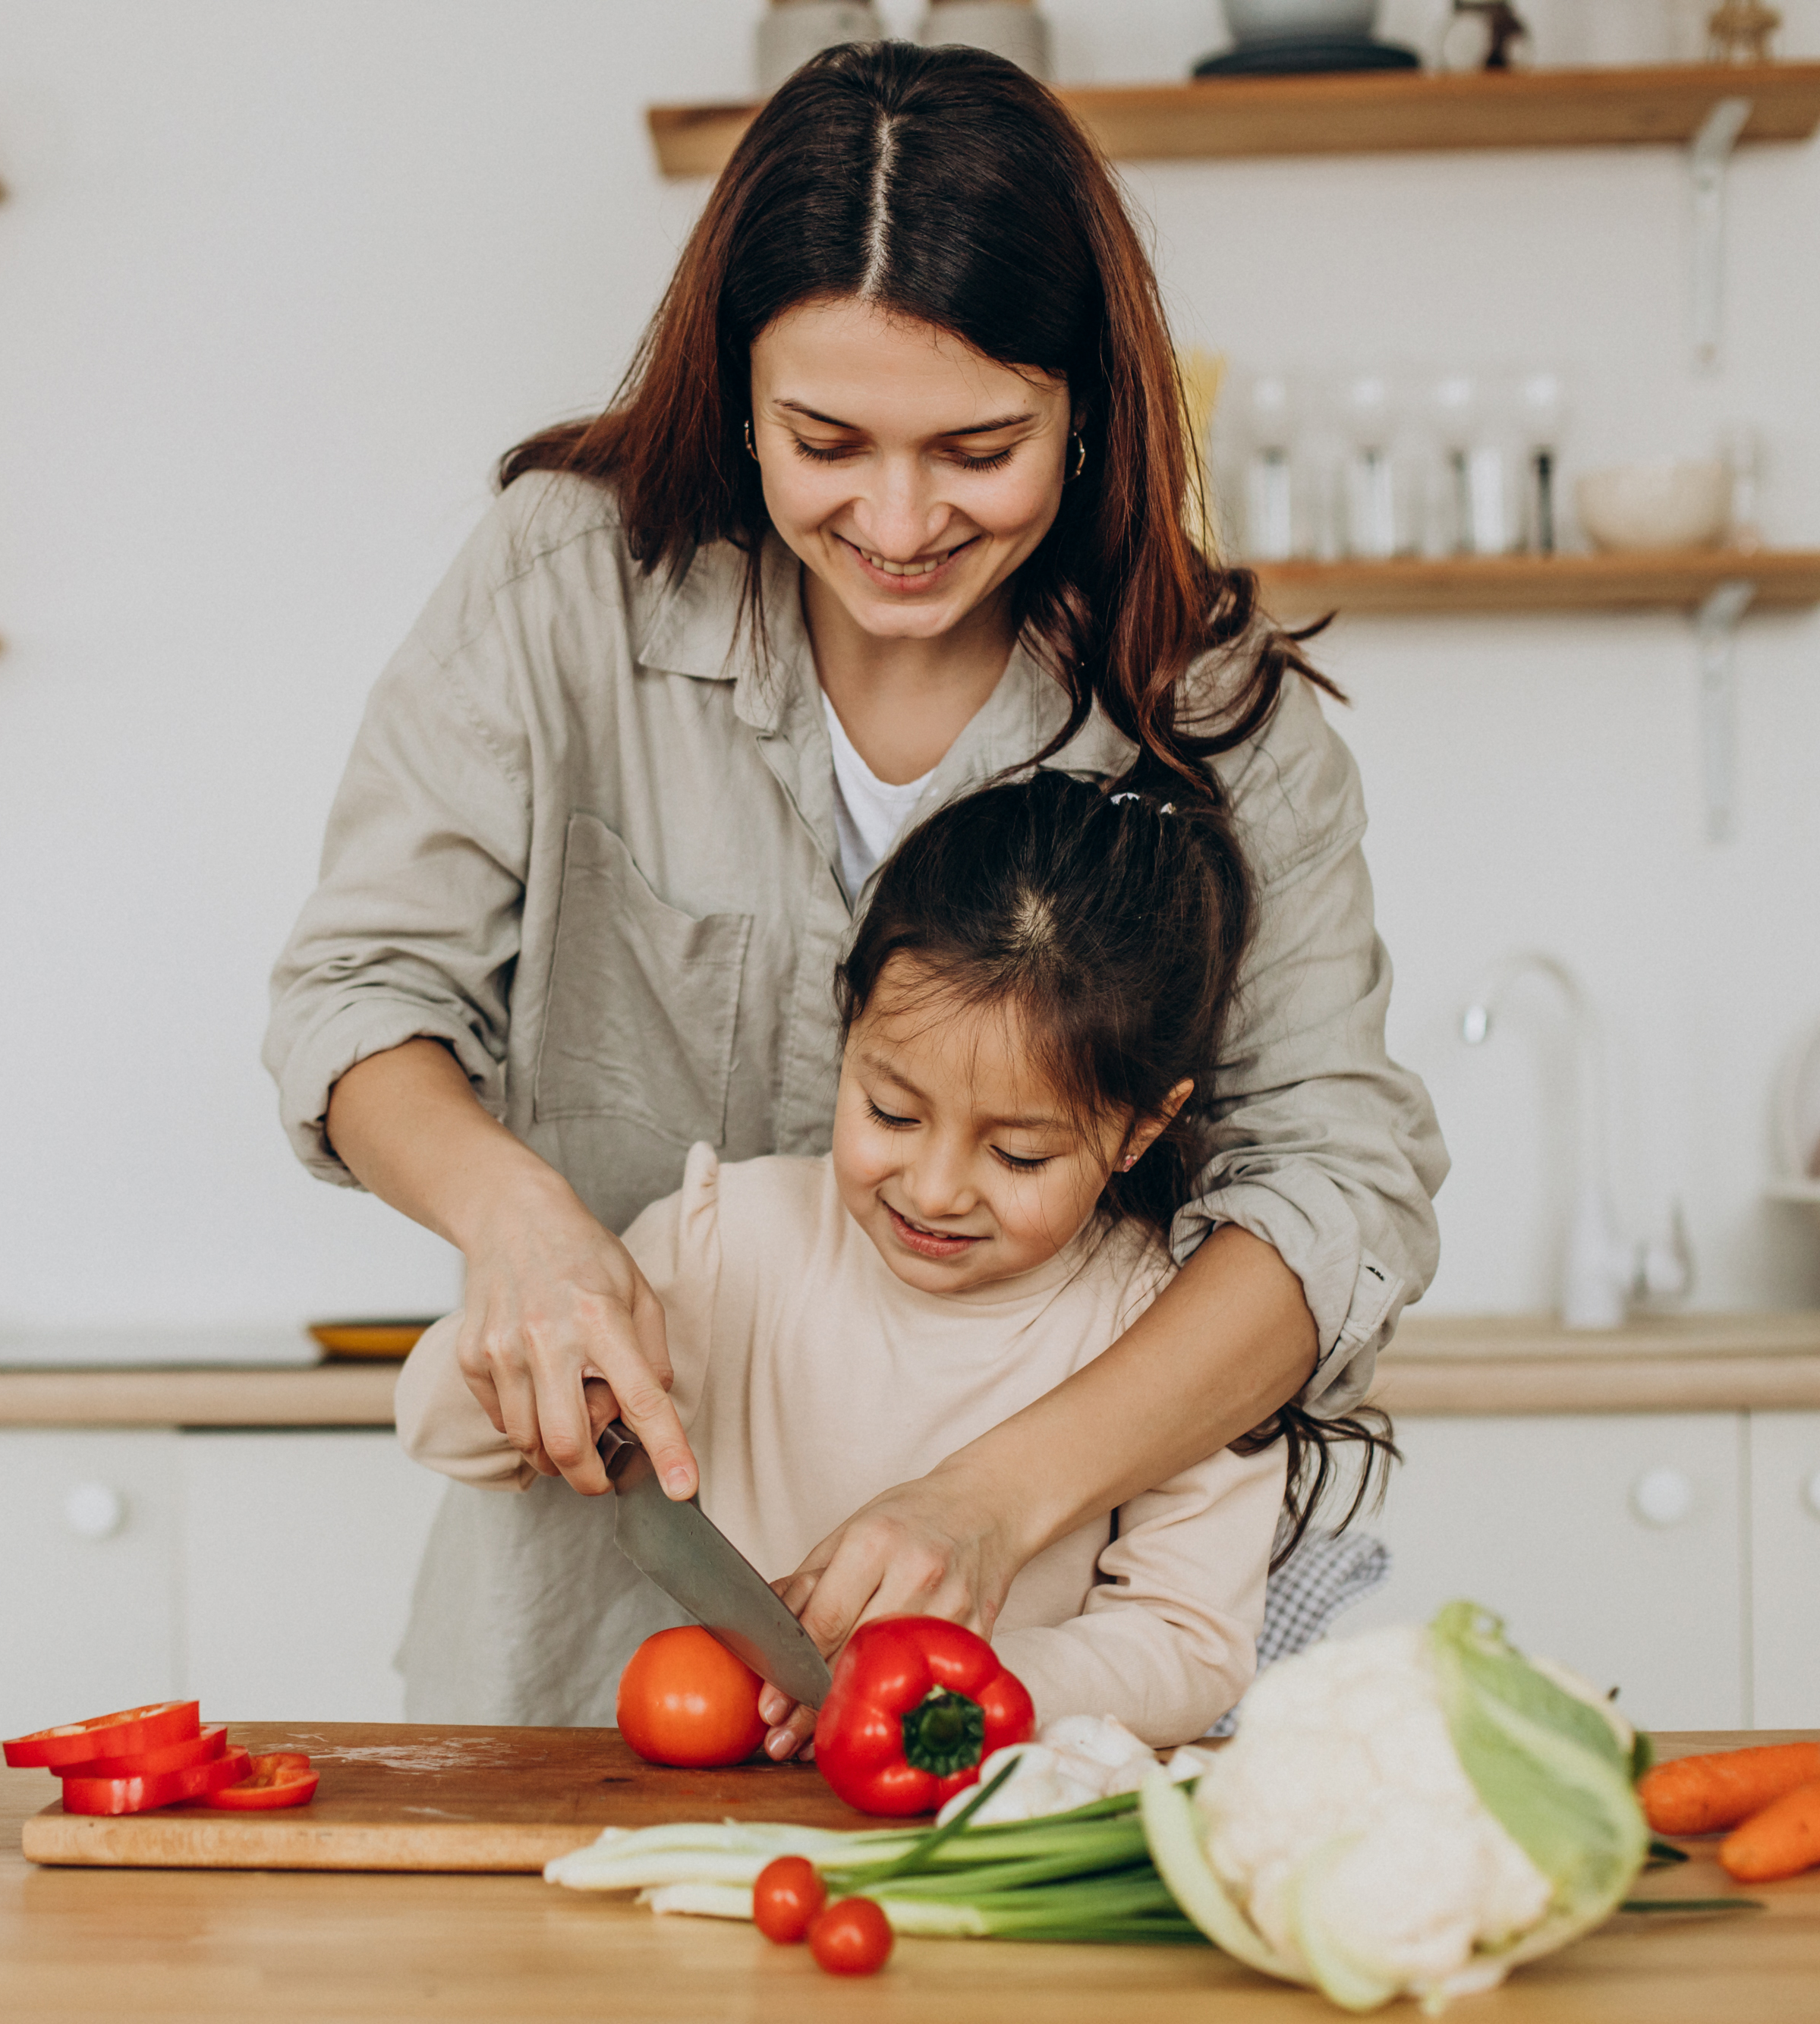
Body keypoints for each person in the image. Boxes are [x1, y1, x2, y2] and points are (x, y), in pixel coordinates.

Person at [263, 42, 1444, 1739]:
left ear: (1090, 409)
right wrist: (514, 1222)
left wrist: (993, 1496)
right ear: (735, 394)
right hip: (584, 1652)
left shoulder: (1203, 713)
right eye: (824, 439)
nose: (896, 520)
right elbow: (357, 994)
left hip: (1009, 1685)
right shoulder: (558, 583)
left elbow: (1336, 1186)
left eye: (978, 447)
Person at [397, 766, 1390, 1746]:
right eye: (891, 1111)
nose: (935, 1188)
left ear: (1140, 1131)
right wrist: (521, 1351)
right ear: (850, 1029)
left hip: (985, 1817)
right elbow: (440, 1430)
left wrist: (959, 1689)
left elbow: (1189, 1647)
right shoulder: (723, 1238)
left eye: (1019, 1153)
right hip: (726, 1814)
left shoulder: (1179, 1337)